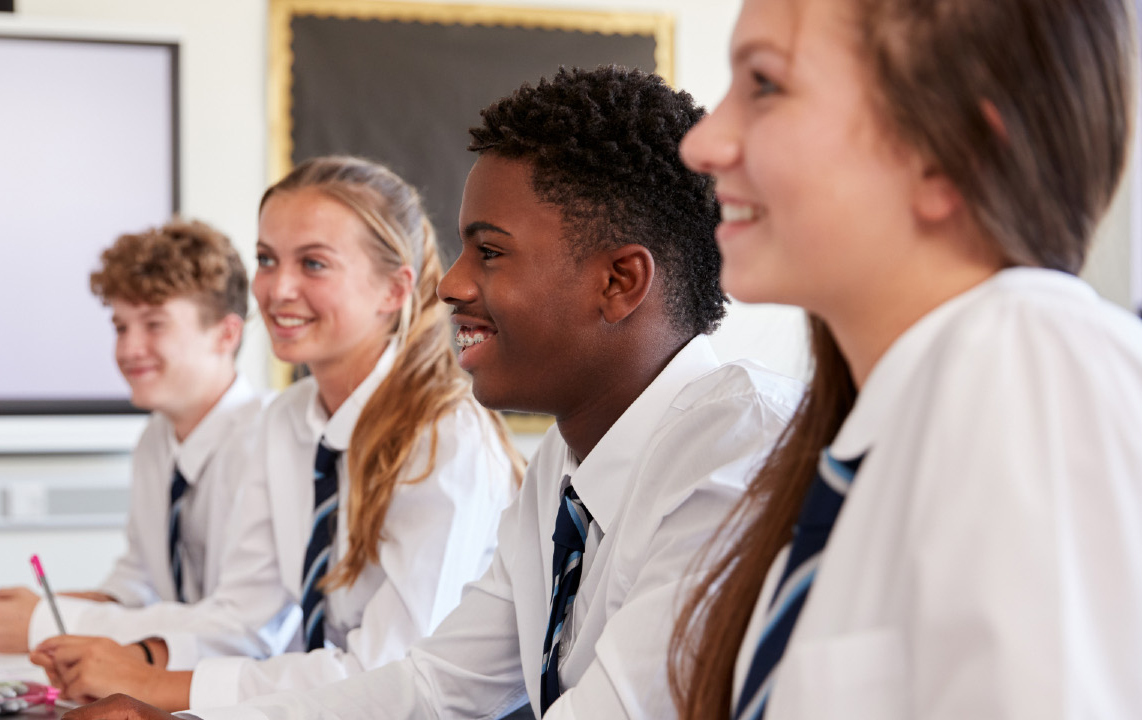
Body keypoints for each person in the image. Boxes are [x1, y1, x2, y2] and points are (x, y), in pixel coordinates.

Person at [57, 65, 802, 720]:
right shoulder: (567, 469)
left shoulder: (735, 458)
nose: (451, 284)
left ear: (619, 282)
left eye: (490, 252)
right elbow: (435, 687)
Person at [663, 0, 1142, 718]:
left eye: (764, 84)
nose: (701, 143)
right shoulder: (871, 444)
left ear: (954, 152)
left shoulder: (1028, 358)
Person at [30, 156, 526, 711]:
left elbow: (391, 672)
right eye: (267, 259)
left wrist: (154, 685)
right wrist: (134, 660)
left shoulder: (444, 440)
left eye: (313, 264)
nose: (277, 289)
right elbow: (245, 620)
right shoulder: (287, 420)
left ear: (393, 290)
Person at [0, 219, 292, 660]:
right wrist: (54, 609)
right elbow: (141, 585)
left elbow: (240, 629)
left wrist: (49, 625)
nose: (128, 349)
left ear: (226, 334)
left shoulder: (270, 443)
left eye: (154, 325)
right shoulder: (157, 439)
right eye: (120, 327)